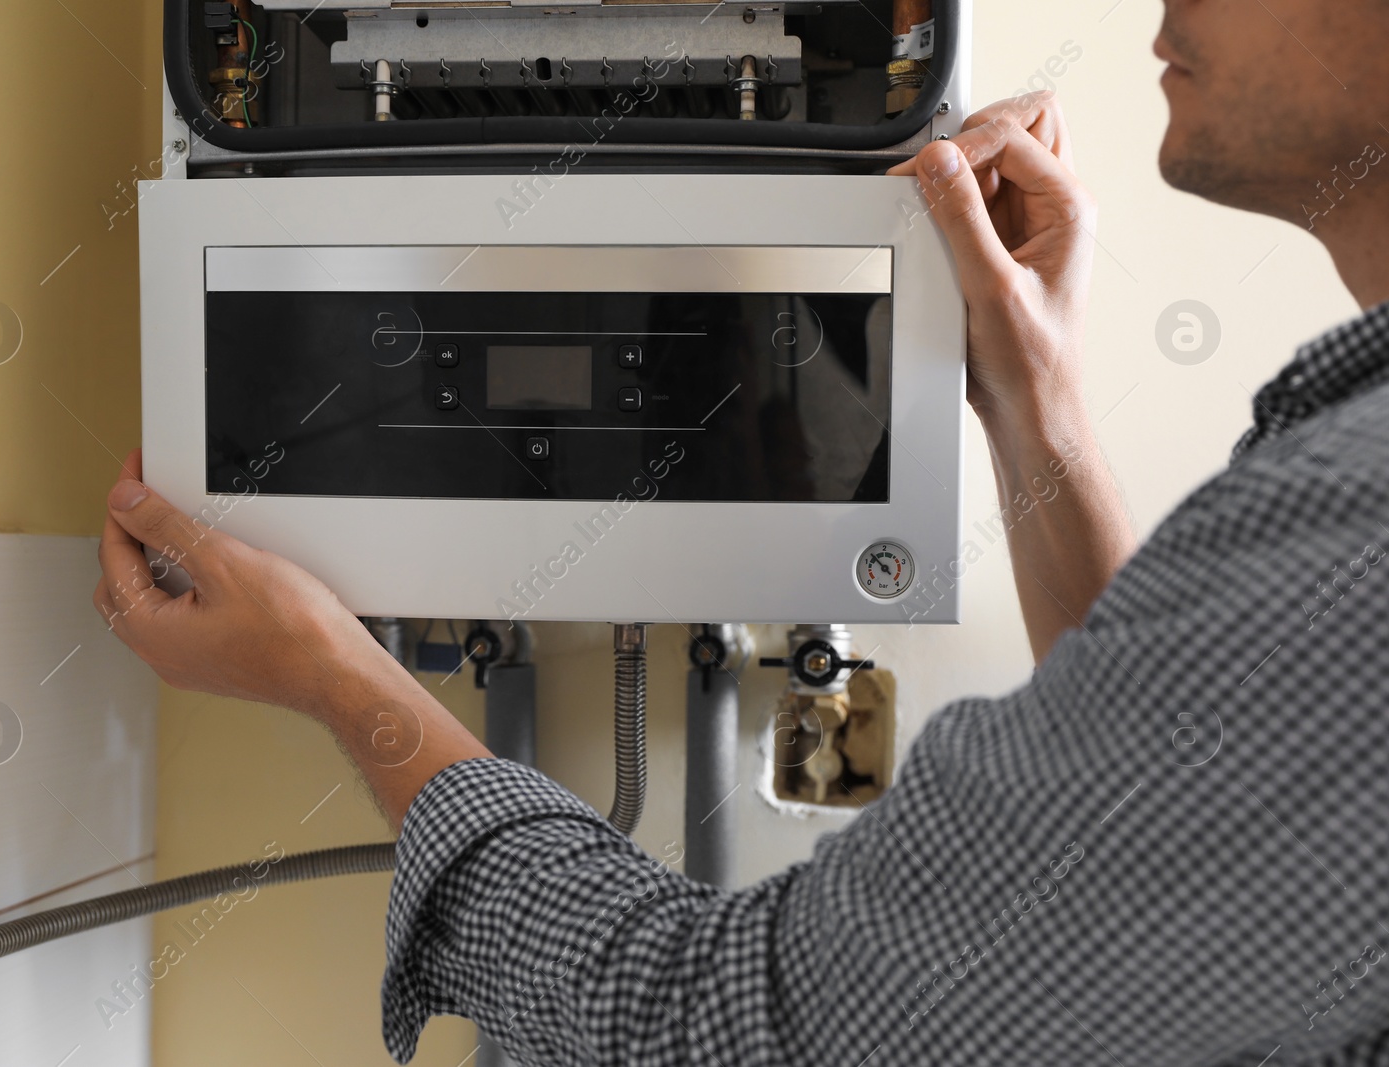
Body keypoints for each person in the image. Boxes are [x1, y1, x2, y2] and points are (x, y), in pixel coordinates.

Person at [95, 2, 1389, 1062]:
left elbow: (713, 1027)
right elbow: (1149, 812)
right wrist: (1031, 403)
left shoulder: (1356, 524)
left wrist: (340, 679)